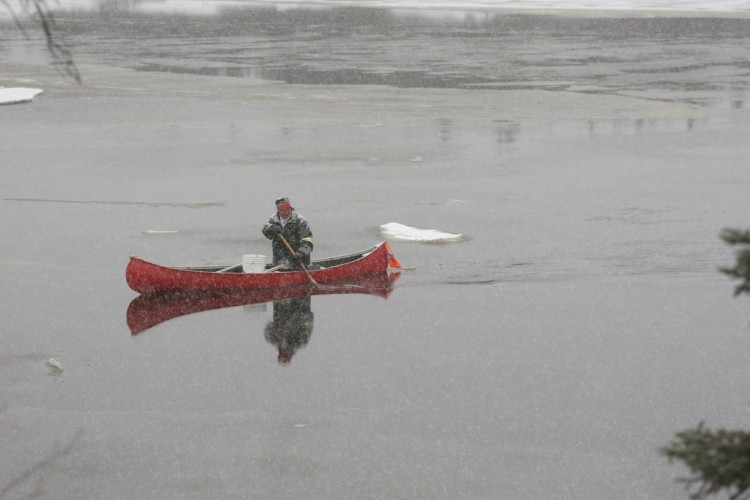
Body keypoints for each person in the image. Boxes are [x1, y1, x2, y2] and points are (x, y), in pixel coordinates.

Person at [261, 197, 314, 270]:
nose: (286, 212)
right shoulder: (274, 219)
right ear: (279, 211)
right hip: (279, 261)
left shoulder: (300, 220)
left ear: (291, 208)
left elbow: (308, 241)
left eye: (288, 209)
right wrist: (272, 228)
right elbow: (265, 230)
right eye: (283, 210)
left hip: (298, 261)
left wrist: (301, 253)